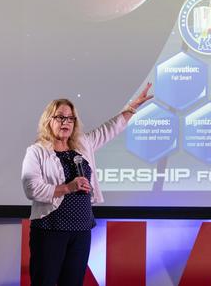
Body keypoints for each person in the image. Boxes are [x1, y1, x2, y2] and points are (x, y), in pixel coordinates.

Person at [21, 83, 153, 286]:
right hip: (50, 229)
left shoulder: (83, 144)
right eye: (60, 117)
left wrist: (132, 107)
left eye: (70, 118)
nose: (66, 122)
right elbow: (31, 188)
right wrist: (68, 187)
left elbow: (110, 128)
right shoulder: (37, 151)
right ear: (48, 120)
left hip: (81, 230)